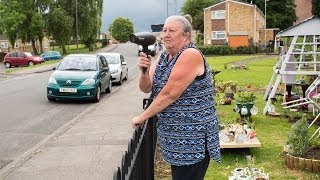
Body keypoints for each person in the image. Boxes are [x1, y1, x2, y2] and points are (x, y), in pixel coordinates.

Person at [131, 15, 221, 180]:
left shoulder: (190, 54)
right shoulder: (164, 57)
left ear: (186, 35)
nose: (166, 34)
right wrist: (143, 71)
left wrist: (143, 116)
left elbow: (170, 93)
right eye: (164, 30)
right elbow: (146, 87)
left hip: (193, 140)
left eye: (172, 30)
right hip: (175, 140)